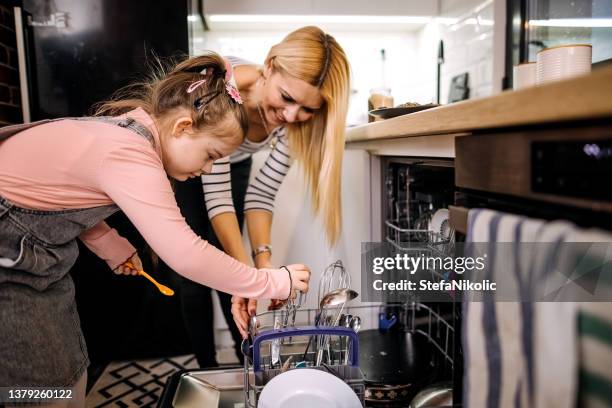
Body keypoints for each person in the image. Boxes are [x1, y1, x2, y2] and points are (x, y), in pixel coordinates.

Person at [0, 51, 311, 406]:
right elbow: (185, 253)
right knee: (43, 389)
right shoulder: (132, 152)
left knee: (69, 373)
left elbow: (59, 194)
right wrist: (271, 281)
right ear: (182, 127)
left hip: (38, 257)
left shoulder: (133, 131)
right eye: (210, 155)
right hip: (10, 260)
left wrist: (111, 244)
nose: (209, 169)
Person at [159, 26, 350, 367]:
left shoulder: (297, 120)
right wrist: (249, 280)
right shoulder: (222, 88)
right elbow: (218, 200)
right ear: (270, 66)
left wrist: (262, 263)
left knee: (234, 262)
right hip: (190, 155)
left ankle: (246, 357)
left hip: (237, 159)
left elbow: (261, 194)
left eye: (307, 109)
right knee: (196, 271)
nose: (291, 116)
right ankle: (206, 367)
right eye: (287, 98)